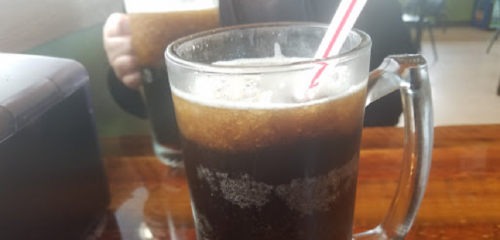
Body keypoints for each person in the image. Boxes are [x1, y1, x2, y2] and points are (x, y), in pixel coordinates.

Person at [104, 0, 416, 126]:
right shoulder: (175, 5)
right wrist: (129, 74)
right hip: (198, 181)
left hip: (334, 177)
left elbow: (399, 90)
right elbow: (143, 104)